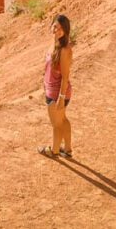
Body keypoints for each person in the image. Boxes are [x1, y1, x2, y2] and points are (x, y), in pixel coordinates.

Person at [39, 14, 73, 158]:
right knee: (63, 119)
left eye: (61, 28)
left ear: (65, 31)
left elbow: (65, 78)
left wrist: (61, 97)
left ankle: (54, 151)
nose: (56, 30)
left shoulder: (64, 50)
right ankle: (68, 149)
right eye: (55, 26)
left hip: (57, 93)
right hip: (51, 90)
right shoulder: (53, 43)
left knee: (56, 124)